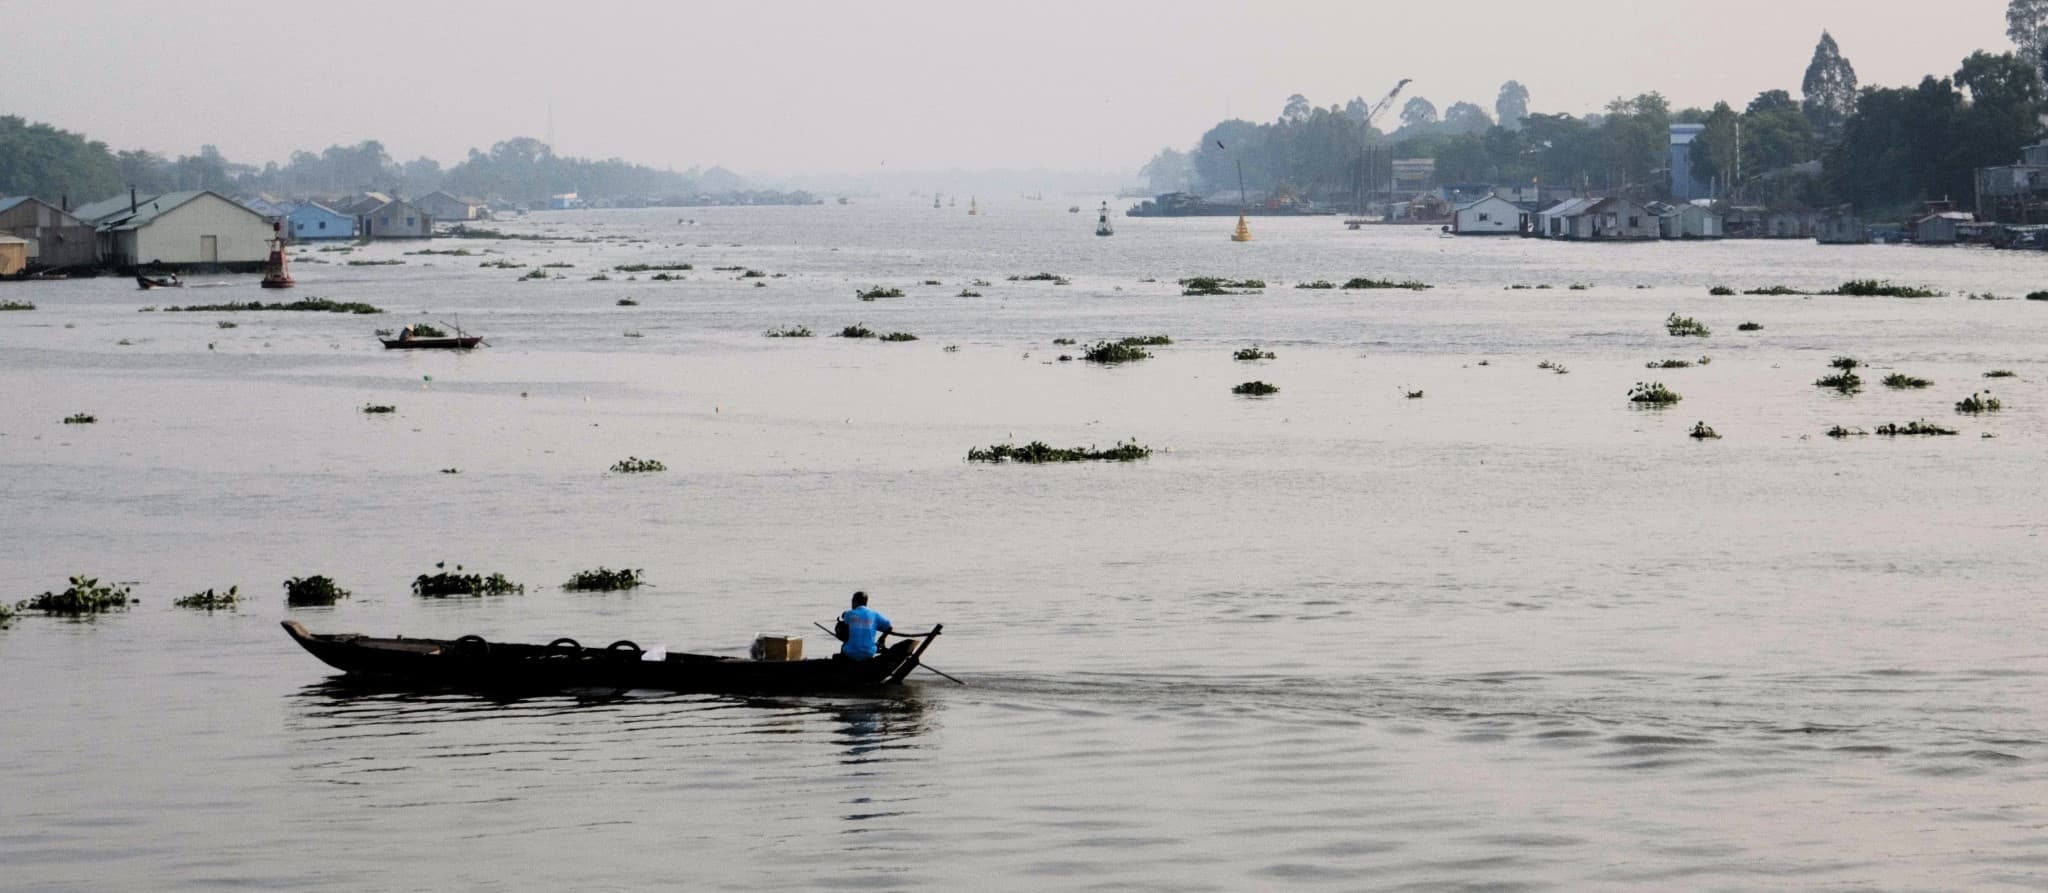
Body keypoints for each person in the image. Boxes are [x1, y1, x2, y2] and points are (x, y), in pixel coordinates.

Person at [833, 591, 893, 660]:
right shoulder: (874, 614)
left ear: (854, 601)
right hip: (869, 653)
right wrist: (882, 638)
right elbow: (889, 627)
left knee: (844, 641)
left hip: (851, 653)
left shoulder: (850, 614)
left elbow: (844, 615)